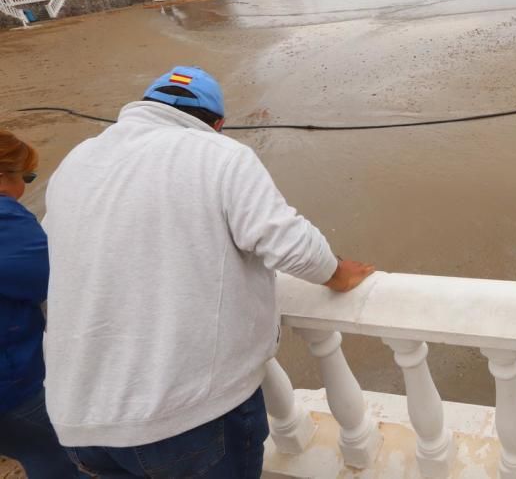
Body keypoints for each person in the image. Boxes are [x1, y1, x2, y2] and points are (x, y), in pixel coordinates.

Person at [42, 66, 375, 477]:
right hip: (186, 421)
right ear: (217, 125)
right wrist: (338, 274)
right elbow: (289, 243)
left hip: (78, 425)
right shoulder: (220, 155)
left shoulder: (76, 161)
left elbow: (58, 260)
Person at [0, 131, 82, 478]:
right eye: (26, 177)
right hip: (11, 388)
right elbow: (59, 279)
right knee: (62, 459)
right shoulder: (6, 221)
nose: (25, 187)